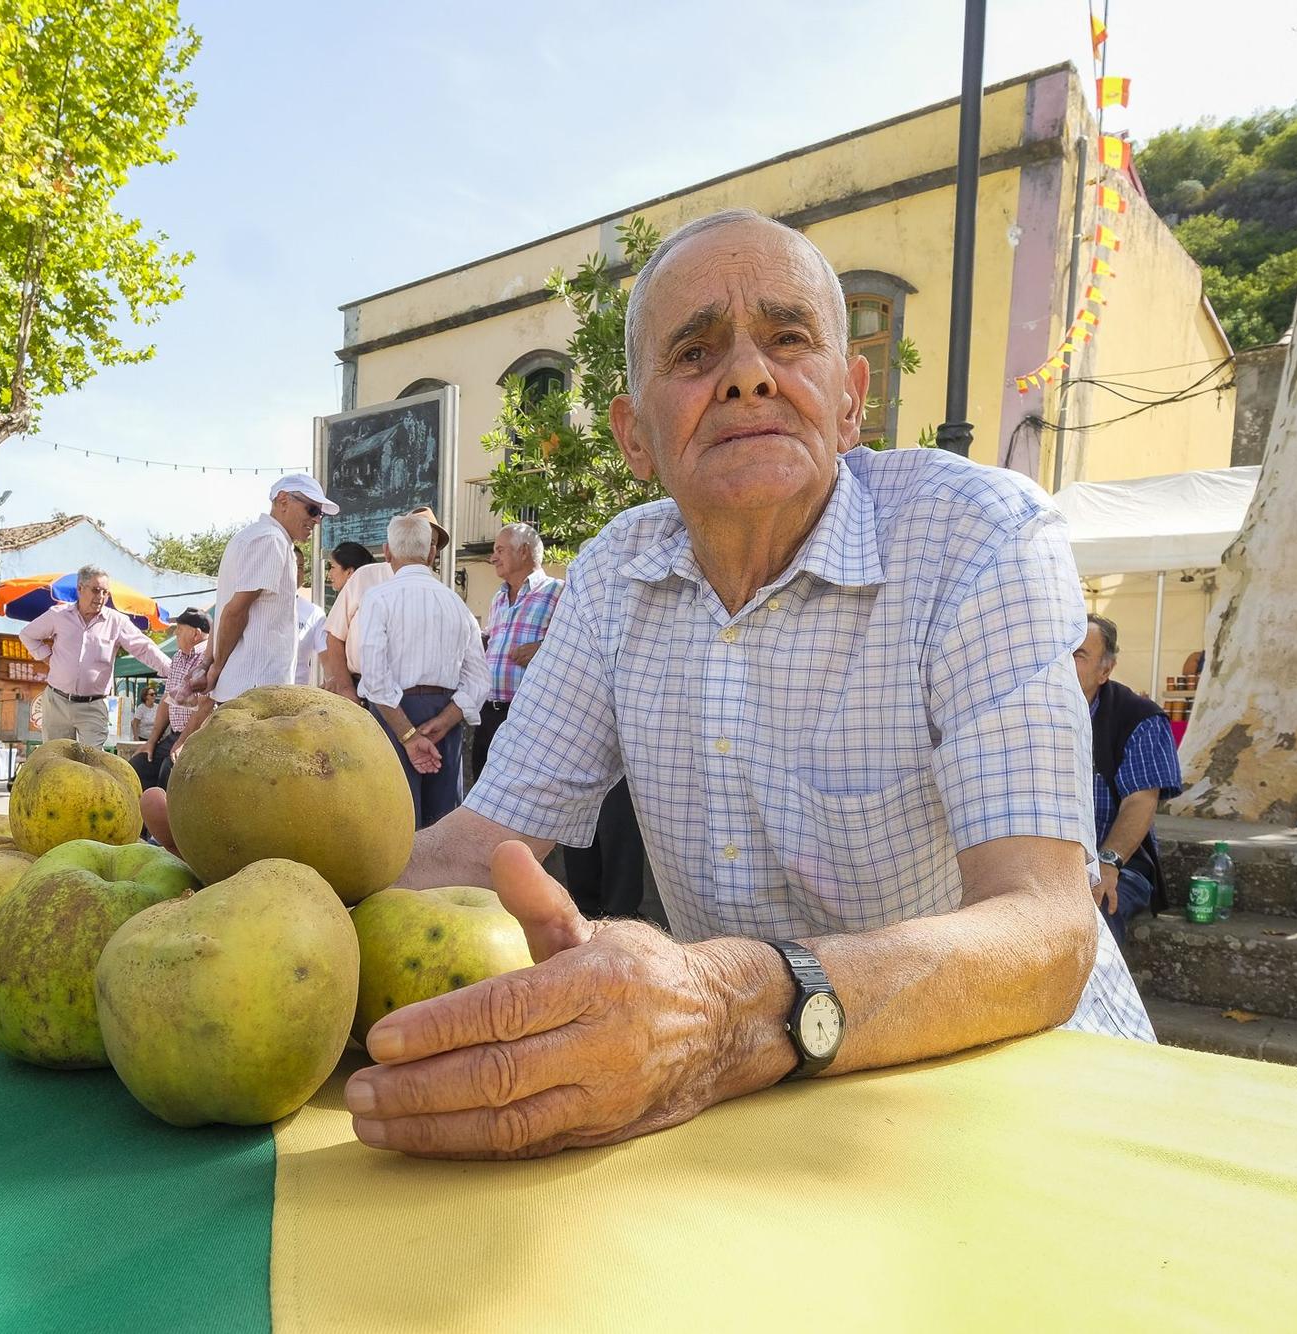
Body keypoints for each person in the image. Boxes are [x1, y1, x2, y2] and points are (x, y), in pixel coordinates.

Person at [144, 209, 1152, 1161]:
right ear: (634, 437)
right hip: (758, 1108)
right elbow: (479, 842)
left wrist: (725, 1009)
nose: (747, 377)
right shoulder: (617, 574)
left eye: (786, 339)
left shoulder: (978, 536)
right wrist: (240, 902)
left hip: (1027, 1104)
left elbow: (1044, 929)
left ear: (850, 401)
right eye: (695, 351)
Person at [177, 475, 332, 746]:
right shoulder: (270, 540)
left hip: (246, 692)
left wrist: (209, 665)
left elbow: (226, 610)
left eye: (320, 514)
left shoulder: (253, 537)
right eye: (312, 510)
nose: (317, 520)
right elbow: (235, 612)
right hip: (256, 695)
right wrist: (215, 668)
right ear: (283, 500)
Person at [358, 513, 490, 829]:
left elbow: (375, 678)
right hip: (445, 719)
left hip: (394, 717)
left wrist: (407, 735)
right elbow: (479, 679)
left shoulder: (378, 598)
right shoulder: (456, 604)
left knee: (395, 823)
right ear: (431, 553)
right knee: (443, 824)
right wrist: (442, 724)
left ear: (387, 551)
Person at [1075, 614, 1183, 943]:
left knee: (1092, 921)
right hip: (1046, 860)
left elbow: (1140, 801)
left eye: (1079, 655)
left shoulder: (1140, 717)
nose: (1064, 664)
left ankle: (1094, 996)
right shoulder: (1032, 712)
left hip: (1118, 863)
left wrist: (1108, 863)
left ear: (1105, 670)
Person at [19, 566, 170, 748]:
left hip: (93, 705)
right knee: (55, 761)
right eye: (96, 590)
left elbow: (144, 648)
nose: (100, 597)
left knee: (92, 762)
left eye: (105, 592)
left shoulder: (116, 621)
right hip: (56, 701)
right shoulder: (58, 615)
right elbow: (27, 635)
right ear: (80, 588)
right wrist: (47, 657)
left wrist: (171, 670)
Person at [321, 507, 448, 702]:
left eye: (430, 542)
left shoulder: (439, 592)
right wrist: (346, 689)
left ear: (433, 552)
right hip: (359, 691)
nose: (421, 546)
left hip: (413, 698)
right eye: (417, 538)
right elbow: (335, 636)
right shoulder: (366, 576)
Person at [472, 521, 561, 783]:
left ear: (523, 551)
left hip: (530, 716)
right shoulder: (498, 598)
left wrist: (544, 649)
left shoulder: (557, 591)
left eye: (500, 549)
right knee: (483, 788)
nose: (492, 557)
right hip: (489, 713)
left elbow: (577, 646)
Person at [133, 609, 208, 791]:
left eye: (180, 630)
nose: (175, 634)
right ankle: (140, 819)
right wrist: (151, 741)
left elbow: (206, 706)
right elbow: (167, 700)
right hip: (173, 734)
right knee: (138, 765)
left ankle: (164, 819)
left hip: (199, 737)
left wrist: (182, 742)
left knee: (169, 770)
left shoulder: (208, 658)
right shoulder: (178, 657)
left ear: (196, 633)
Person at [295, 551, 328, 686]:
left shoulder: (314, 613)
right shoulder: (255, 607)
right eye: (291, 566)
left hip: (296, 696)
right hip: (257, 695)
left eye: (300, 567)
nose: (296, 573)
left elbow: (328, 658)